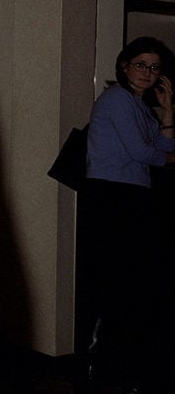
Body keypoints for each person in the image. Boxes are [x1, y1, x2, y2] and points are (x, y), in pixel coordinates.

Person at [82, 36, 175, 389]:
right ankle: (99, 370)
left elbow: (163, 147)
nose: (147, 73)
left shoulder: (140, 106)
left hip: (131, 197)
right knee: (118, 284)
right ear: (124, 66)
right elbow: (145, 153)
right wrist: (168, 156)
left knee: (131, 285)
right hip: (112, 196)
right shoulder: (117, 98)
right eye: (140, 64)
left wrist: (167, 112)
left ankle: (118, 368)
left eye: (154, 67)